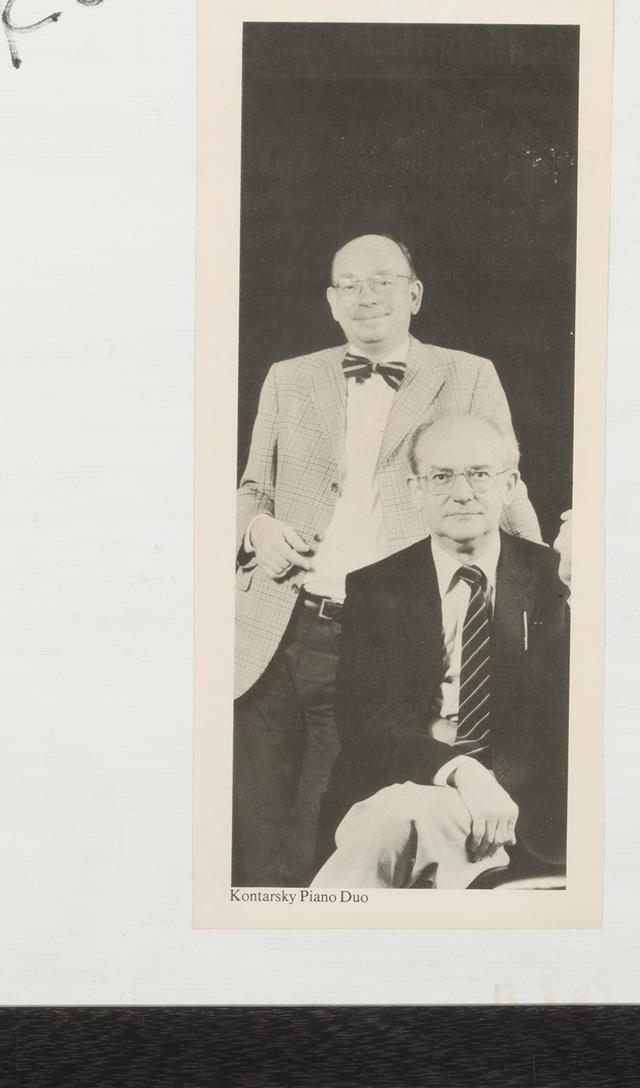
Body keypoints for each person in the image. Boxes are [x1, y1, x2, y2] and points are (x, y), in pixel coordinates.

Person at [233, 234, 542, 888]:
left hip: (377, 639)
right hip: (275, 629)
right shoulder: (289, 377)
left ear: (414, 294)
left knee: (325, 834)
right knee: (251, 832)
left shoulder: (467, 374)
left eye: (383, 281)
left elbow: (504, 487)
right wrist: (256, 529)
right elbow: (252, 489)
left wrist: (548, 588)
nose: (365, 296)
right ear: (331, 301)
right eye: (349, 284)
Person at [309, 412, 569, 889]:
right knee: (396, 814)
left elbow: (565, 711)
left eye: (479, 474)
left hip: (531, 817)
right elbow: (368, 721)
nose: (462, 492)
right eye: (442, 476)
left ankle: (319, 926)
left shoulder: (556, 578)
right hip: (419, 782)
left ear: (510, 485)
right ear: (415, 491)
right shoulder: (378, 588)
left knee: (394, 819)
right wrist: (461, 770)